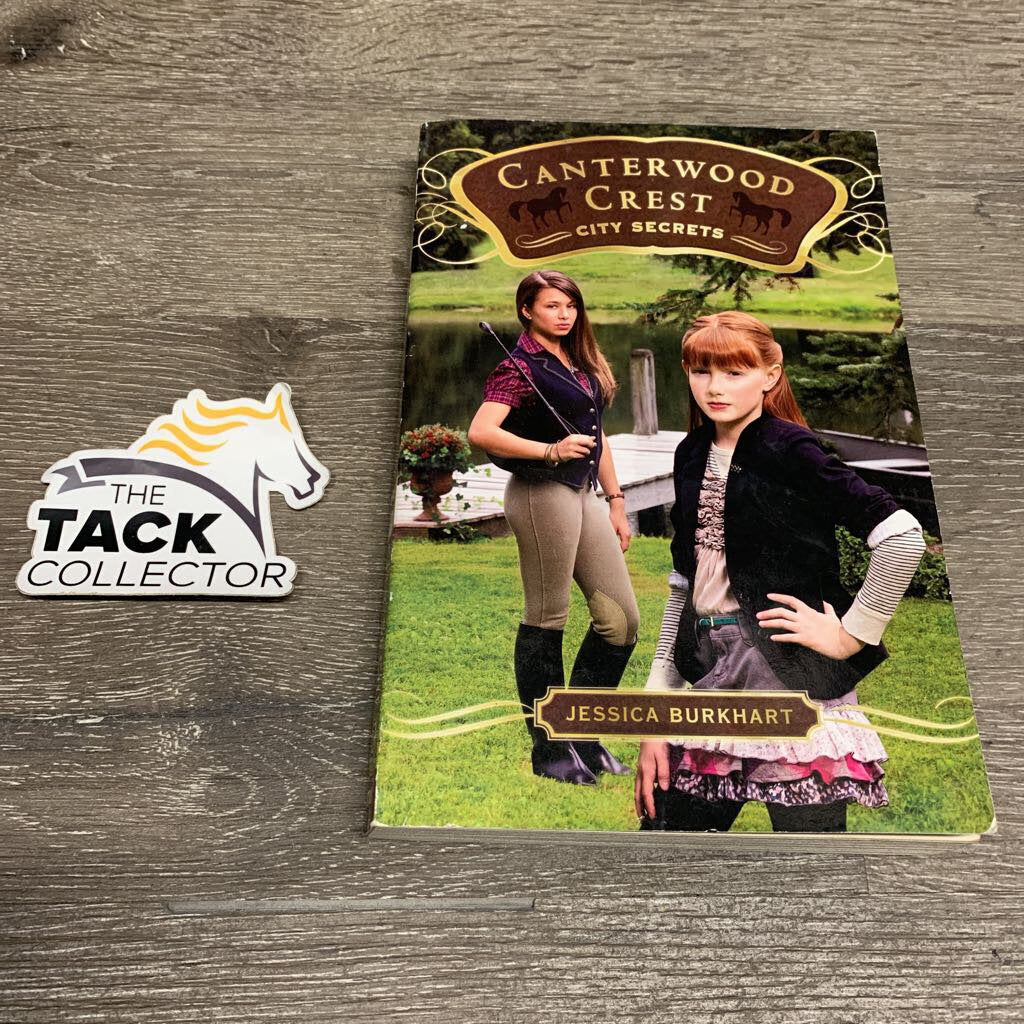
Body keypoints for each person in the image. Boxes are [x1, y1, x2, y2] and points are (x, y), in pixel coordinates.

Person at [635, 311, 926, 832]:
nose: (715, 387)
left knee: (811, 857)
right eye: (701, 371)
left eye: (734, 372)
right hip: (709, 672)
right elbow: (685, 587)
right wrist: (657, 712)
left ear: (770, 375)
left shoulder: (792, 450)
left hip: (788, 673)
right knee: (668, 847)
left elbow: (901, 537)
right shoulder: (691, 453)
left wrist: (850, 636)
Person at [467, 269, 641, 786]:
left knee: (622, 622)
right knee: (548, 618)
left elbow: (597, 437)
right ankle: (549, 750)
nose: (564, 315)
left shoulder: (581, 363)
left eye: (570, 306)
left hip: (584, 496)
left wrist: (616, 501)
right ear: (527, 311)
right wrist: (549, 450)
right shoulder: (517, 367)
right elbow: (481, 432)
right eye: (551, 306)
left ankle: (583, 735)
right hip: (540, 494)